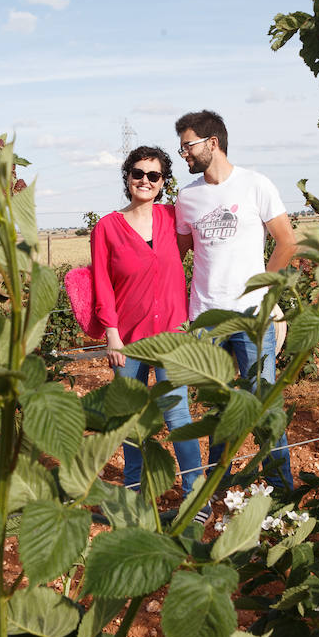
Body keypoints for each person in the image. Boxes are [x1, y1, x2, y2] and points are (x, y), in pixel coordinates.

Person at [174, 110, 297, 490]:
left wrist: (265, 293)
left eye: (188, 146)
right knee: (217, 405)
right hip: (204, 318)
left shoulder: (255, 184)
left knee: (264, 404)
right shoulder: (187, 196)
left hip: (250, 317)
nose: (184, 155)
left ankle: (281, 490)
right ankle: (216, 488)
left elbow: (287, 240)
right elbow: (176, 255)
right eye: (181, 148)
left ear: (213, 143)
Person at [90, 146, 206, 505]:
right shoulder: (107, 227)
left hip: (173, 335)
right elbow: (102, 284)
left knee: (178, 416)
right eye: (138, 173)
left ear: (162, 183)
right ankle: (134, 496)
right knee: (132, 420)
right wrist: (111, 335)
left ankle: (193, 494)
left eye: (153, 175)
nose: (145, 180)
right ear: (127, 177)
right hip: (127, 339)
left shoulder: (173, 218)